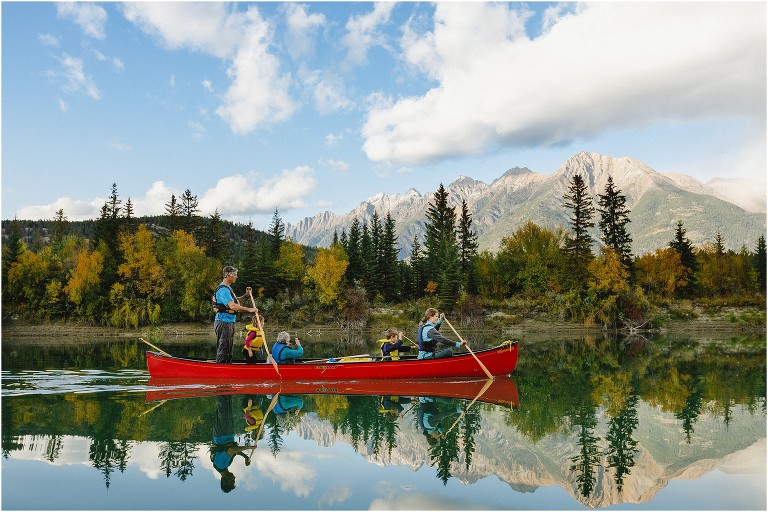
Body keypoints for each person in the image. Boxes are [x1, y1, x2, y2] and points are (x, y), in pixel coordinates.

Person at [213, 266, 257, 364]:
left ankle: (227, 366)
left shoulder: (228, 288)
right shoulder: (223, 290)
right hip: (223, 322)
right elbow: (232, 306)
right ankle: (221, 367)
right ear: (228, 275)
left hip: (229, 322)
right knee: (224, 349)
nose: (236, 277)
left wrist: (246, 296)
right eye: (234, 274)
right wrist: (249, 309)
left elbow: (235, 301)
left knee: (228, 349)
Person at [211, 395, 251, 493]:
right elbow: (235, 452)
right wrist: (245, 457)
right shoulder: (225, 465)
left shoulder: (221, 465)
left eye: (232, 481)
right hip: (226, 433)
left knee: (223, 407)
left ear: (224, 481)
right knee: (226, 406)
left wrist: (249, 447)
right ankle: (225, 390)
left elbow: (231, 450)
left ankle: (221, 389)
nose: (234, 478)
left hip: (223, 434)